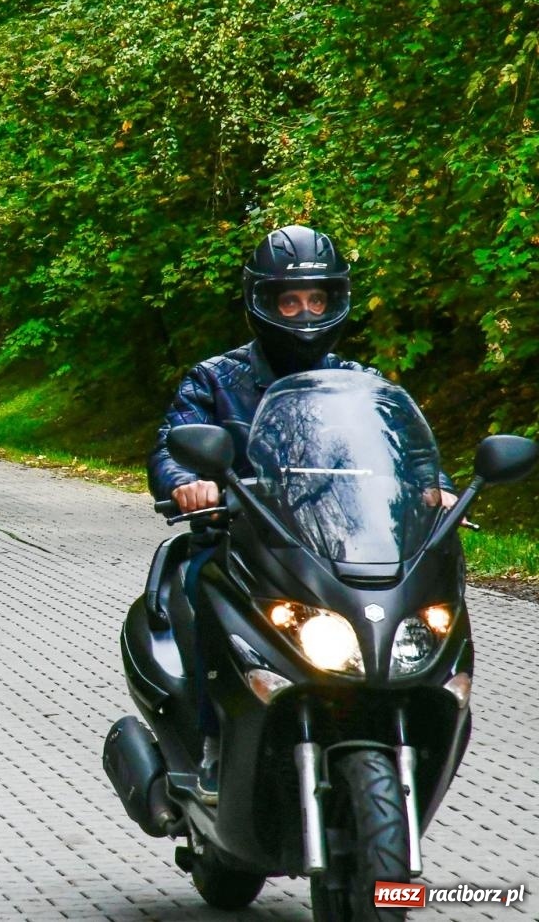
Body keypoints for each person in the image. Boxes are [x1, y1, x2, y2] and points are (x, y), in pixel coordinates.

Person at [148, 224, 452, 802]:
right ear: (262, 302)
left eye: (317, 299)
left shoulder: (363, 384)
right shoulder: (215, 379)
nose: (304, 312)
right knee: (198, 587)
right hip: (246, 542)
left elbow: (406, 452)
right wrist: (189, 483)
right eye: (290, 300)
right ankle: (209, 735)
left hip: (340, 544)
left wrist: (435, 487)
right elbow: (171, 443)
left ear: (337, 300)